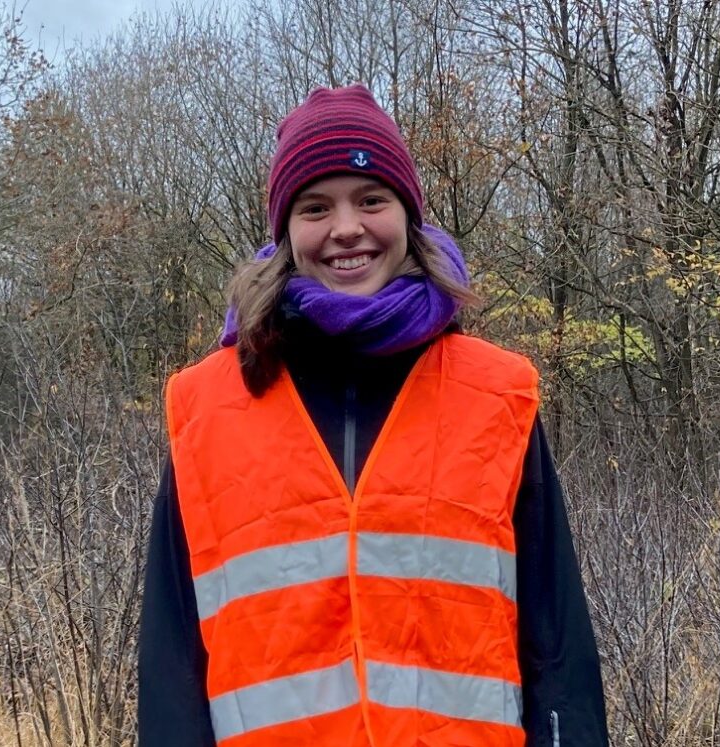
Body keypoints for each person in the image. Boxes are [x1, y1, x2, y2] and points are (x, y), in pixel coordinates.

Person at [137, 84, 608, 746]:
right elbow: (172, 664)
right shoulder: (206, 407)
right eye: (315, 206)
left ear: (407, 216)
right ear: (286, 229)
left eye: (371, 199)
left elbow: (557, 649)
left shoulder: (497, 395)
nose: (347, 228)